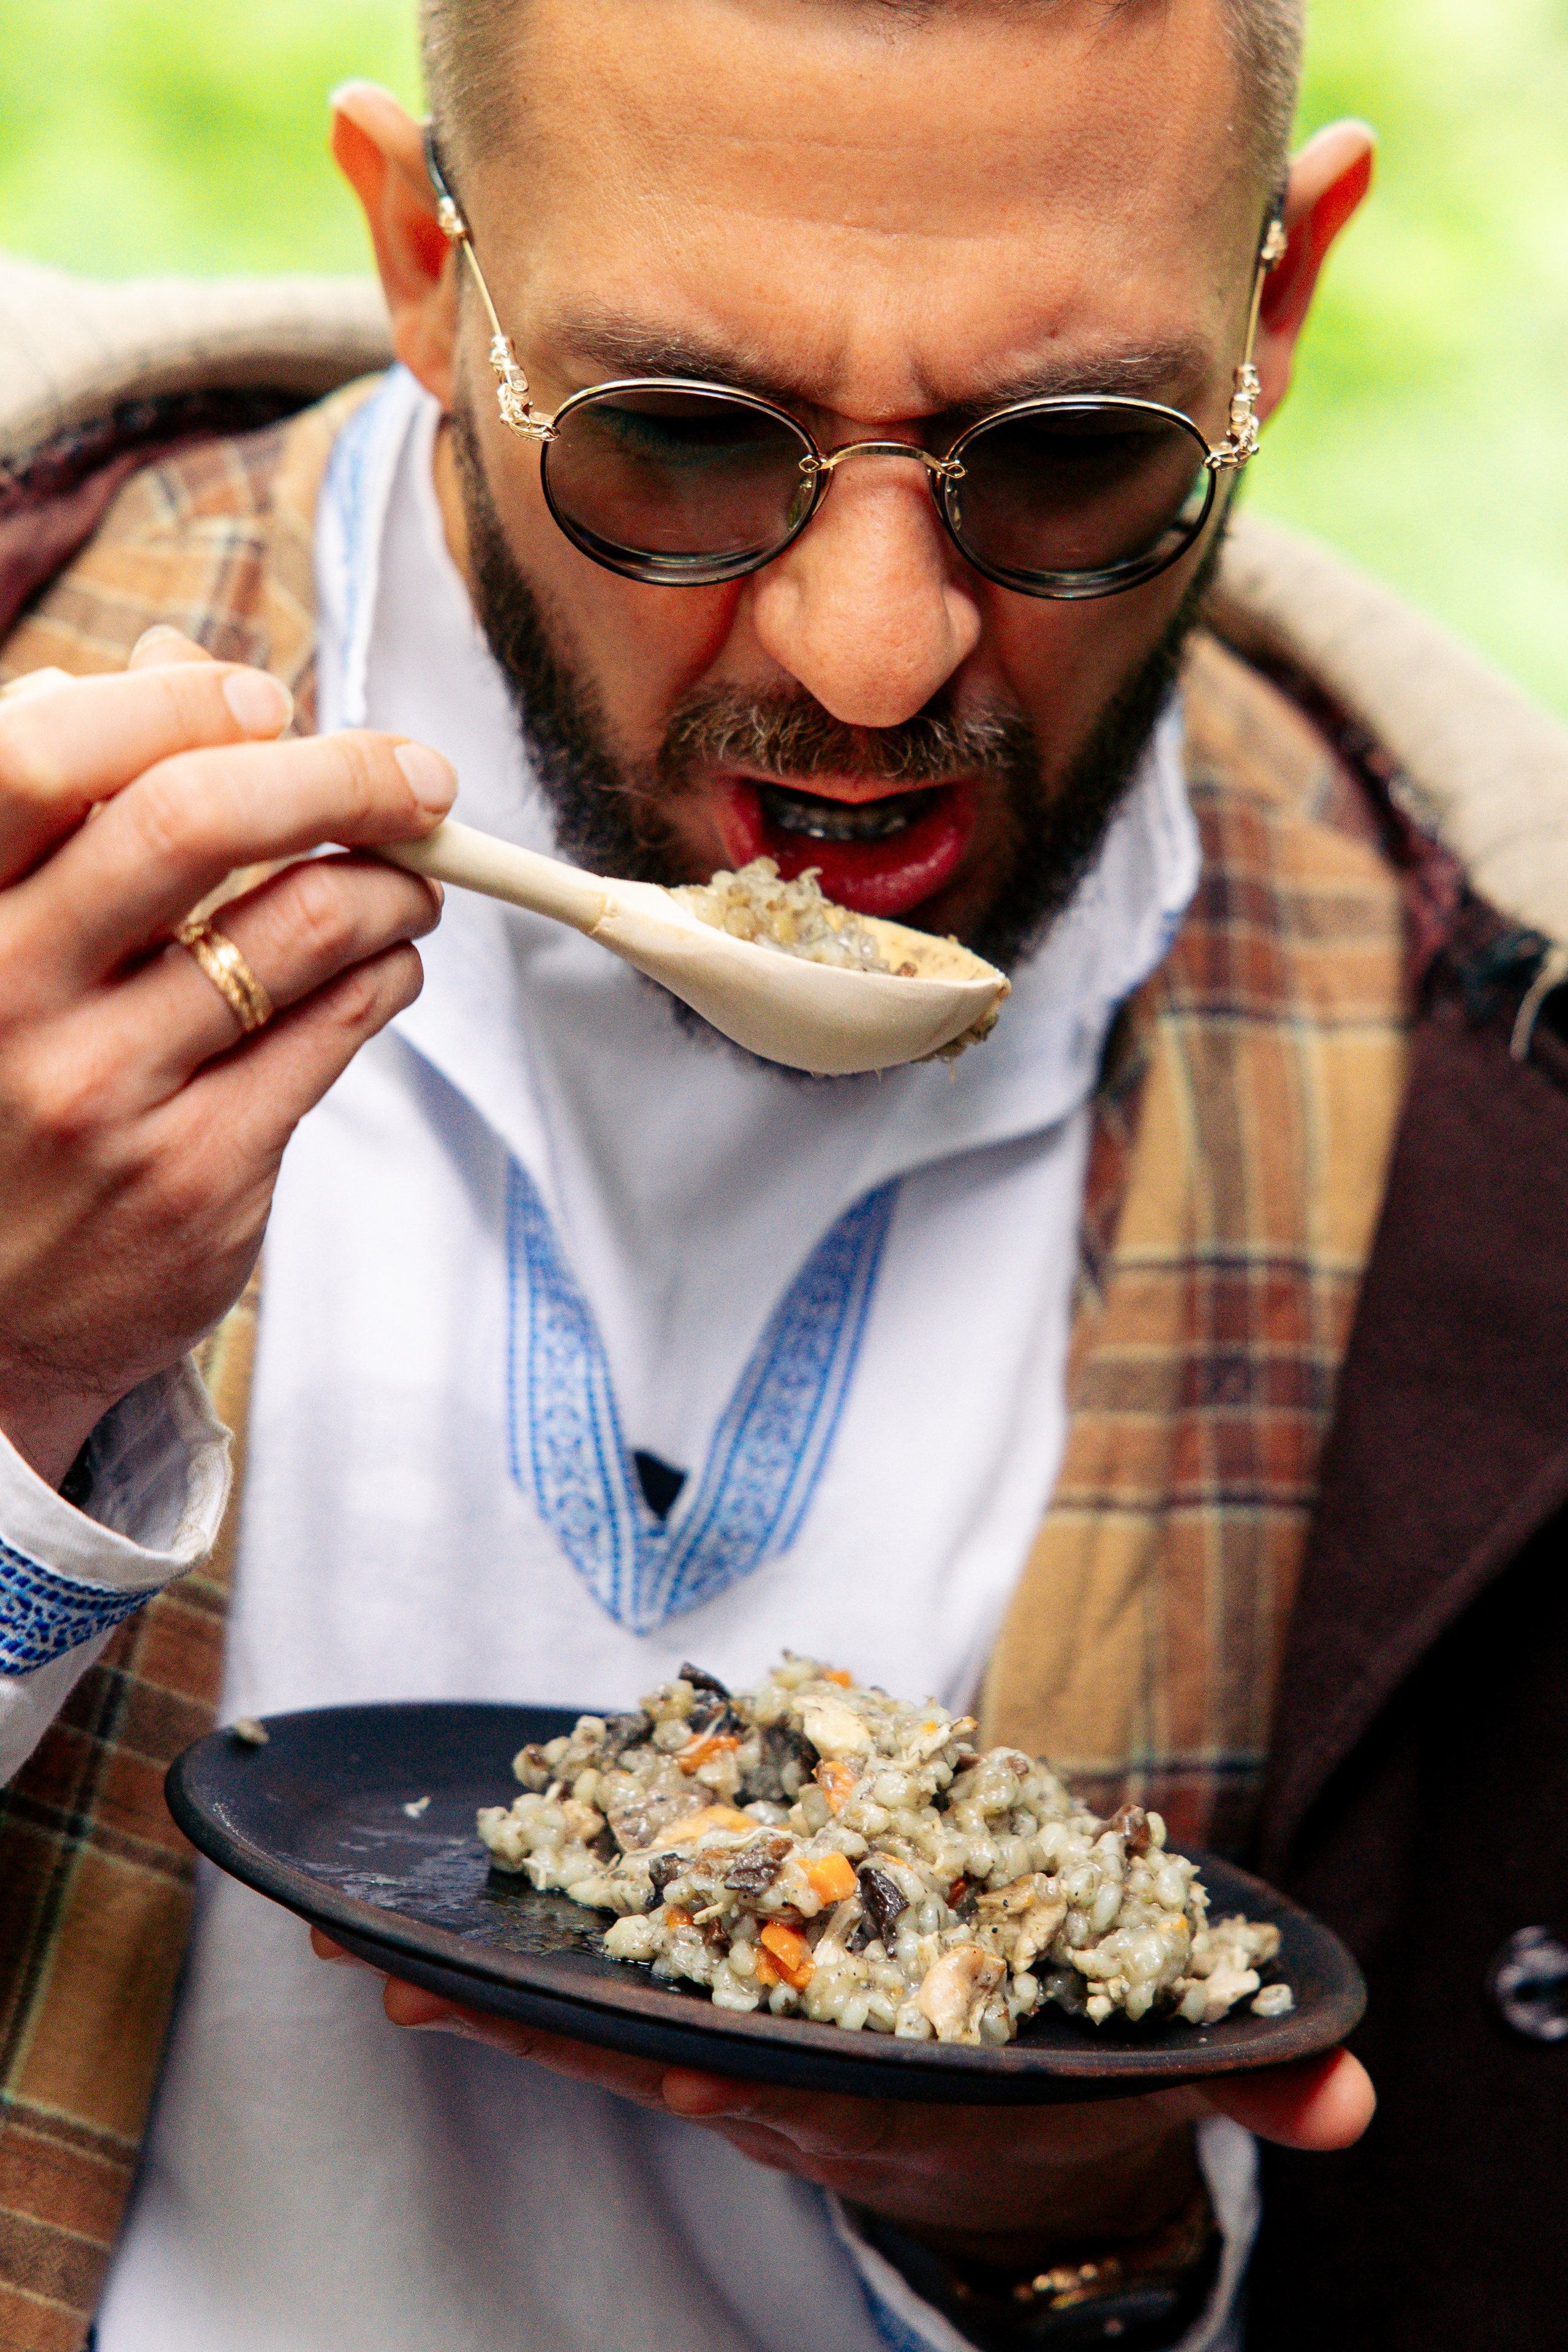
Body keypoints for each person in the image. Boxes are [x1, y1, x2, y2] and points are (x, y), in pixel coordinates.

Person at [1, 2, 1565, 2347]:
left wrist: (1092, 2222)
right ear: (429, 256)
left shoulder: (1484, 1114)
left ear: (1280, 304)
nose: (866, 652)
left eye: (1065, 456)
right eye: (677, 435)